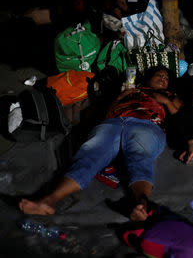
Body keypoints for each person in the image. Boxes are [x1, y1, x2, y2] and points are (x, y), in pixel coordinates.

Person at [18, 66, 182, 222]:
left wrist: (165, 102)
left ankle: (141, 205)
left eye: (166, 78)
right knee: (90, 154)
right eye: (159, 75)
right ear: (149, 77)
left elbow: (181, 117)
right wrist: (120, 98)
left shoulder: (170, 95)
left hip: (147, 125)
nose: (162, 79)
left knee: (140, 157)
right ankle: (48, 201)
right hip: (114, 122)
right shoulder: (131, 89)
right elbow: (105, 113)